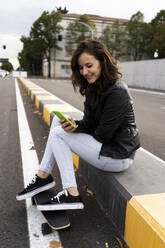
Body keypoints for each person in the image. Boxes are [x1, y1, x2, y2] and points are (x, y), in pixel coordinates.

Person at [16, 40, 140, 211]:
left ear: (102, 62)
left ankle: (70, 193)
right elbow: (90, 122)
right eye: (81, 68)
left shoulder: (118, 92)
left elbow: (102, 135)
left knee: (59, 134)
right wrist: (75, 125)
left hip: (117, 154)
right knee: (58, 122)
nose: (85, 72)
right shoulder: (93, 87)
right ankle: (43, 175)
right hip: (105, 146)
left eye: (89, 65)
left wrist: (77, 129)